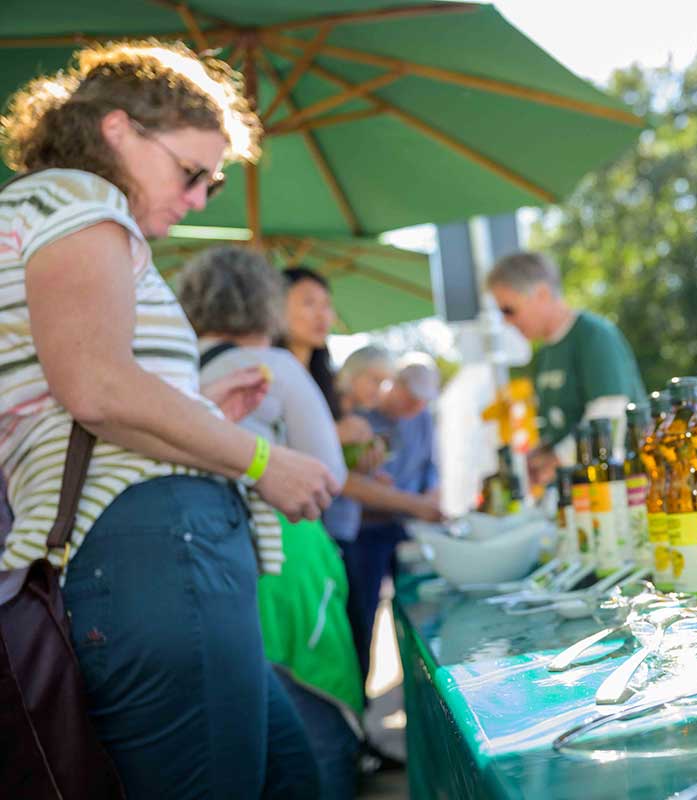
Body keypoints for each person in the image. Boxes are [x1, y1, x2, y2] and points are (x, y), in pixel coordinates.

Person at [0, 41, 339, 798]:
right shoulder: (83, 202)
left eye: (213, 186)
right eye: (192, 173)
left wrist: (198, 417)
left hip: (138, 546)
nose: (196, 200)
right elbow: (94, 384)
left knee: (290, 776)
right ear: (117, 129)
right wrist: (260, 458)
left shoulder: (45, 208)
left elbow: (73, 395)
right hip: (156, 545)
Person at [178, 245, 362, 800]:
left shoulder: (171, 369)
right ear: (269, 305)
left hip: (207, 560)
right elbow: (328, 475)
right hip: (287, 556)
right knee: (317, 721)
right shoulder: (273, 368)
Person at [276, 272, 441, 545]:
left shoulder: (321, 383)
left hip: (319, 530)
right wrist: (332, 436)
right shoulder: (266, 373)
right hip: (285, 527)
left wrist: (364, 468)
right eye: (308, 303)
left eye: (327, 305)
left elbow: (336, 472)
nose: (322, 315)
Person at [485, 250, 646, 484]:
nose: (506, 322)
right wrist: (538, 456)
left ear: (541, 294)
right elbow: (557, 428)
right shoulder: (544, 355)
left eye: (508, 310)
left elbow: (609, 417)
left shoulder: (593, 335)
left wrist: (554, 461)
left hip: (622, 486)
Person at [342, 352, 441, 681]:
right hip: (363, 531)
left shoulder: (424, 418)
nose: (415, 409)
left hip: (407, 526)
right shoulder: (356, 418)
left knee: (418, 609)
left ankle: (414, 685)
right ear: (394, 385)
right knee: (361, 618)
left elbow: (430, 468)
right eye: (411, 400)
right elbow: (348, 481)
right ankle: (360, 706)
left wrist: (428, 495)